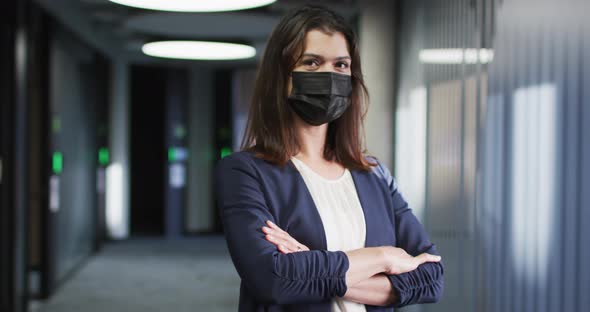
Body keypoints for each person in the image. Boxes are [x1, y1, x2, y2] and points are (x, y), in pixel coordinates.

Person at [214, 5, 444, 312]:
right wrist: (384, 258)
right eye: (311, 63)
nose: (328, 75)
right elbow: (272, 280)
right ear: (281, 76)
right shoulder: (244, 172)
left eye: (340, 65)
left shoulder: (375, 174)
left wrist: (309, 263)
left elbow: (431, 279)